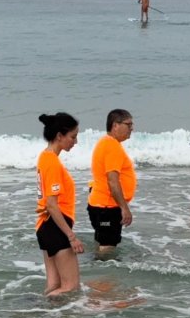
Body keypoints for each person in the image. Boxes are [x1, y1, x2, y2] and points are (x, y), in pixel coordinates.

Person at [35, 112, 84, 296]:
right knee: (70, 287)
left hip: (46, 226)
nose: (75, 141)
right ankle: (38, 311)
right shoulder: (52, 163)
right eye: (73, 136)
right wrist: (71, 237)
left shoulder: (44, 157)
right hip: (56, 226)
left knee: (54, 285)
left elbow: (47, 201)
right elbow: (52, 204)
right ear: (59, 136)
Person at [87, 109, 137, 255]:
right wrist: (124, 208)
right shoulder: (112, 147)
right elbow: (112, 181)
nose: (132, 128)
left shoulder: (105, 142)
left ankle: (96, 276)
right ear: (115, 125)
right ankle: (102, 277)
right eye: (128, 124)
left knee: (102, 244)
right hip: (107, 208)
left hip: (100, 205)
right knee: (107, 250)